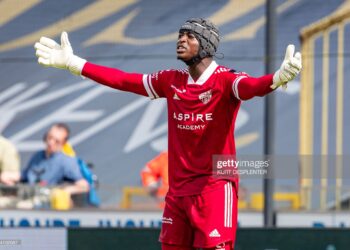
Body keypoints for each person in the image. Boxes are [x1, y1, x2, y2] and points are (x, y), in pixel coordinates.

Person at [34, 18, 301, 250]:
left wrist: (277, 77)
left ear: (206, 45)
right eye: (179, 35)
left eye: (189, 36)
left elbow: (252, 86)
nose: (181, 40)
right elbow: (124, 80)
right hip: (178, 192)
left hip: (215, 189)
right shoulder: (171, 81)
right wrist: (75, 63)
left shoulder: (225, 80)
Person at [21, 123, 89, 196]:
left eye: (57, 141)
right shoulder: (37, 156)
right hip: (29, 195)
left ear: (63, 143)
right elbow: (25, 174)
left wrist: (64, 191)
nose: (51, 142)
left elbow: (84, 186)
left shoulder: (66, 161)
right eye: (50, 138)